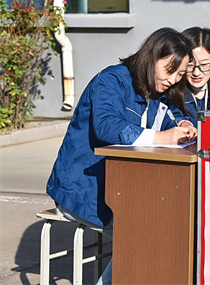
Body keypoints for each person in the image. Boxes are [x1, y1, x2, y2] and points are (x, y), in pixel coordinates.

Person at [46, 27, 197, 285]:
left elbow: (179, 112)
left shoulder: (158, 89)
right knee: (150, 228)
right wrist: (161, 137)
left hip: (127, 189)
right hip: (84, 190)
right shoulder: (111, 80)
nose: (173, 80)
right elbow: (106, 126)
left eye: (180, 75)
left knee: (176, 220)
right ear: (152, 57)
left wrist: (184, 125)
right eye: (170, 70)